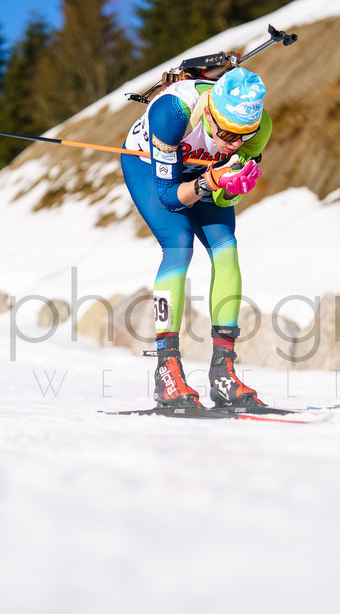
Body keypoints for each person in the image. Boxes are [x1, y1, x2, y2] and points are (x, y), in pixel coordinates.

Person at [122, 67, 271, 409]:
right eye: (228, 134)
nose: (235, 144)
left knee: (226, 248)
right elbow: (170, 196)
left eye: (243, 137)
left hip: (204, 173)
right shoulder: (172, 113)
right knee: (179, 245)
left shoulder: (258, 129)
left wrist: (229, 188)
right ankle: (167, 371)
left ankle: (223, 372)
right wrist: (211, 183)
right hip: (151, 168)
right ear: (209, 113)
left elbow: (224, 199)